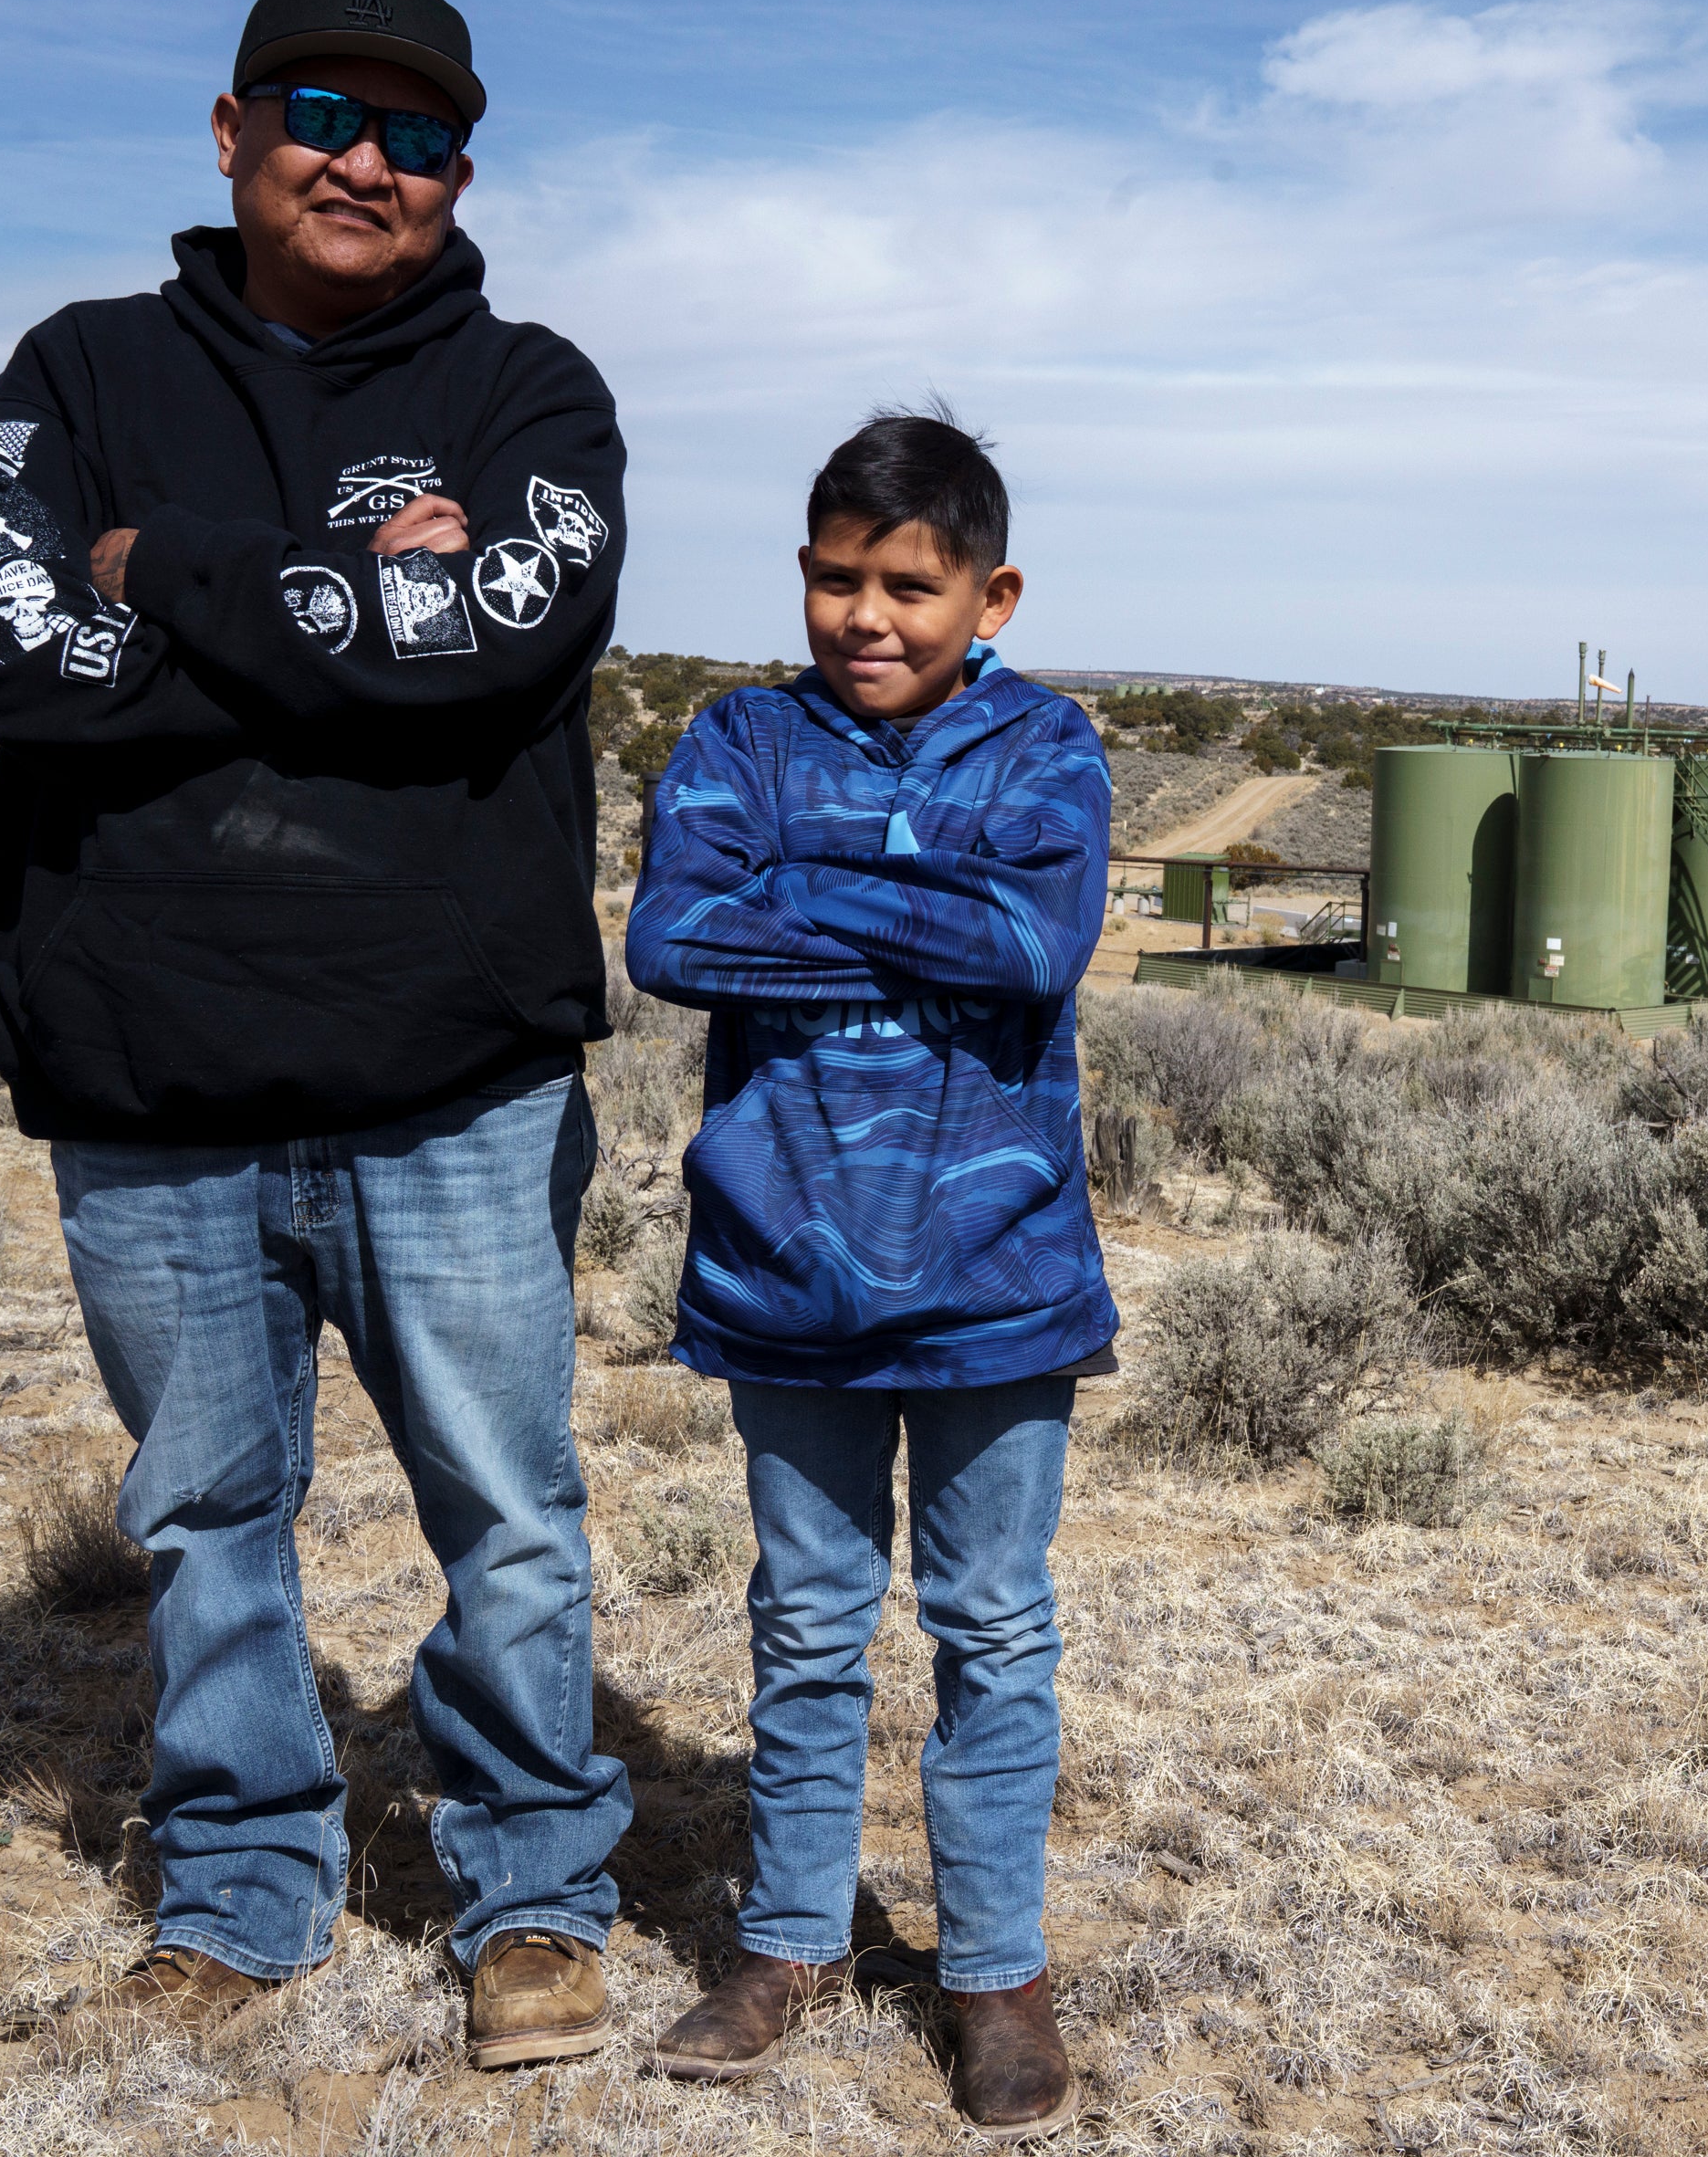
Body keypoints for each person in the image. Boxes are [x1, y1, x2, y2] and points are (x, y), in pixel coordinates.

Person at [0, 0, 631, 2069]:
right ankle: (246, 1877)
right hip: (151, 1080)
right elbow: (19, 652)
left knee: (506, 1510)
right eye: (322, 112)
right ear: (231, 130)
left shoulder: (536, 394)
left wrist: (169, 570)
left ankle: (531, 1888)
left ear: (459, 173)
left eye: (416, 134)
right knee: (203, 1519)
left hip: (453, 1082)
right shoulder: (68, 375)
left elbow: (489, 649)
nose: (365, 160)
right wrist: (346, 610)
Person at [621, 414, 1113, 2141]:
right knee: (811, 1628)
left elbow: (1034, 942)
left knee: (992, 1629)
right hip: (786, 1267)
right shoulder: (738, 738)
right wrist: (916, 888)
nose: (868, 616)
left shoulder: (1048, 747)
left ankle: (994, 1972)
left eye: (912, 584)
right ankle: (785, 1943)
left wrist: (806, 883)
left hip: (997, 1274)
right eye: (838, 577)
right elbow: (673, 937)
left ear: (993, 593)